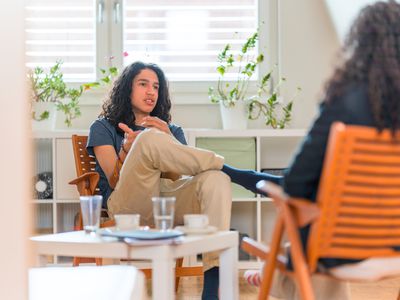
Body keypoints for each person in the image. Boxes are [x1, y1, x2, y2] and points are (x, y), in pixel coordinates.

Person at [222, 1, 400, 299]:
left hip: (341, 249)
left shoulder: (344, 102)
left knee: (308, 248)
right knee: (310, 247)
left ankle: (274, 275)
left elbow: (296, 183)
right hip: (394, 246)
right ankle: (276, 273)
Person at [87, 61, 232, 300]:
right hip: (127, 208)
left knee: (216, 179)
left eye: (156, 87)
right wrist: (129, 150)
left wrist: (168, 139)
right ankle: (234, 170)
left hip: (166, 207)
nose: (151, 92)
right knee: (148, 140)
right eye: (143, 84)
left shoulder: (171, 129)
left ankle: (213, 282)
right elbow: (114, 181)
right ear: (127, 89)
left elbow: (179, 179)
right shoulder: (103, 127)